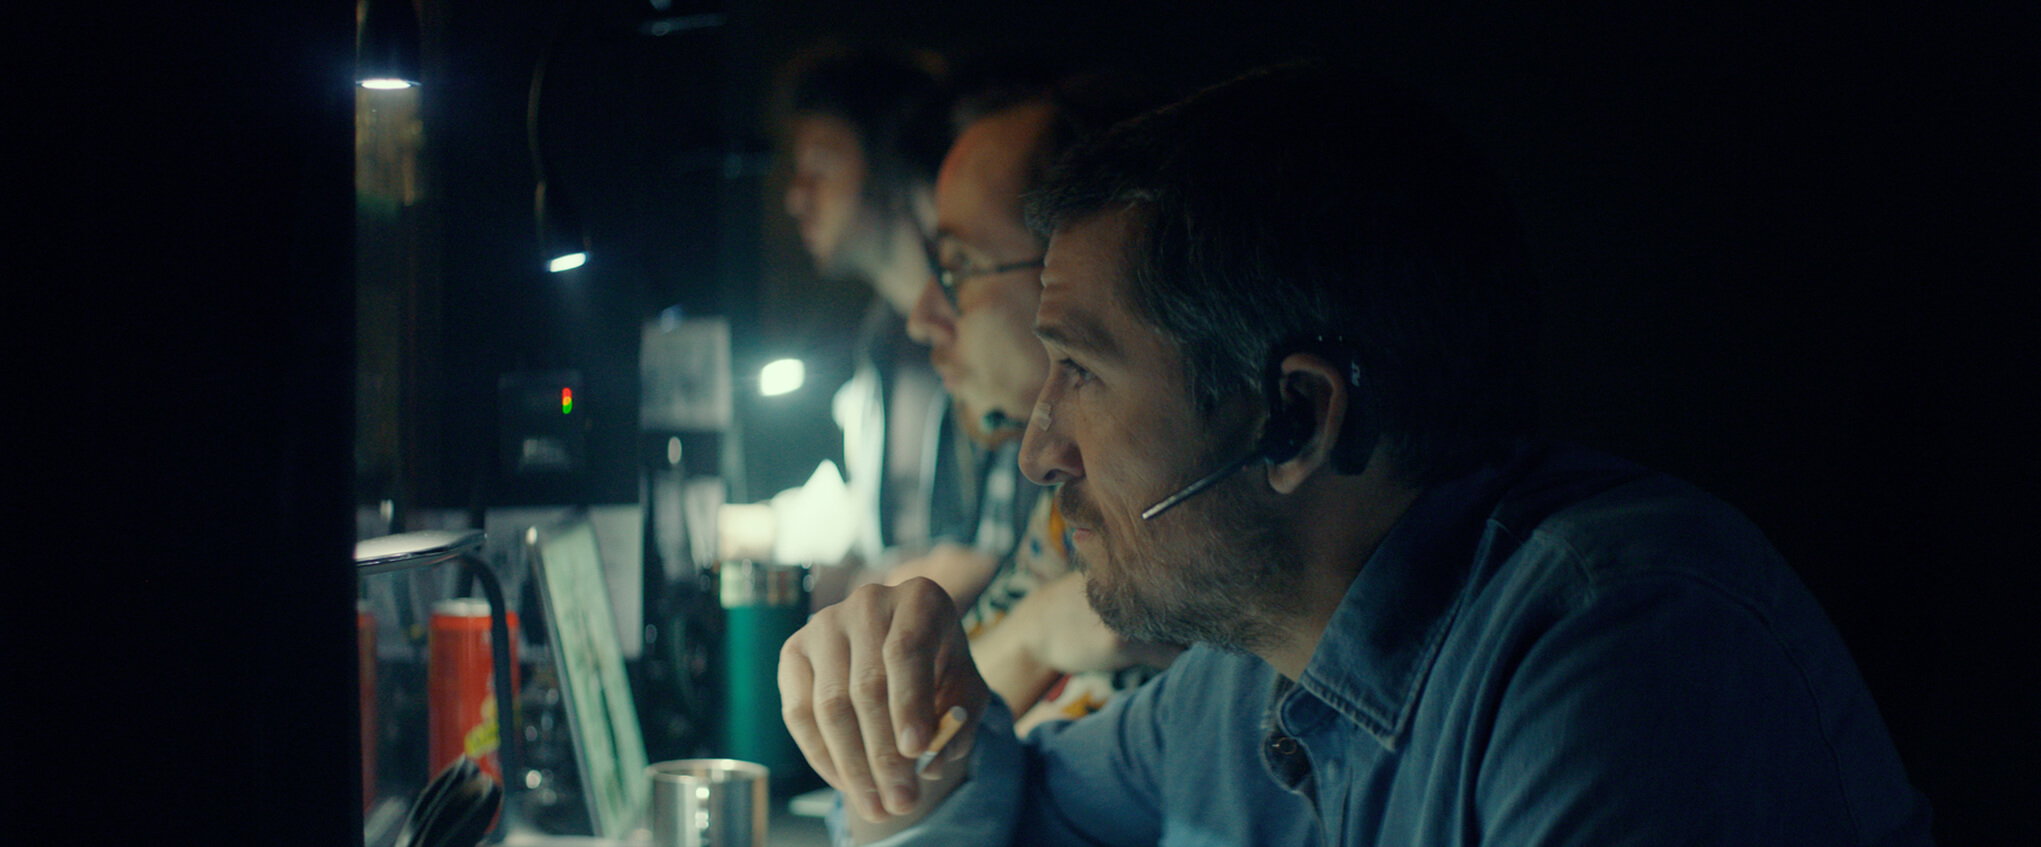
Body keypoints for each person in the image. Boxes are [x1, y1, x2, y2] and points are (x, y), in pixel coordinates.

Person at [777, 60, 1935, 845]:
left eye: (1080, 372)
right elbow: (1026, 812)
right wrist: (913, 750)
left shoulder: (1623, 653)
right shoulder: (1253, 665)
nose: (1040, 449)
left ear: (1295, 417)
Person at [898, 68, 1184, 738]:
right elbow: (925, 740)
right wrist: (1033, 633)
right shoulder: (1065, 506)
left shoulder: (1182, 527)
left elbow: (924, 754)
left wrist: (1025, 644)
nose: (922, 316)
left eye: (958, 267)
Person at [776, 45, 974, 569]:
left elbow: (991, 554)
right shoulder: (881, 338)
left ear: (891, 163)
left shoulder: (988, 335)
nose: (796, 197)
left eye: (820, 166)